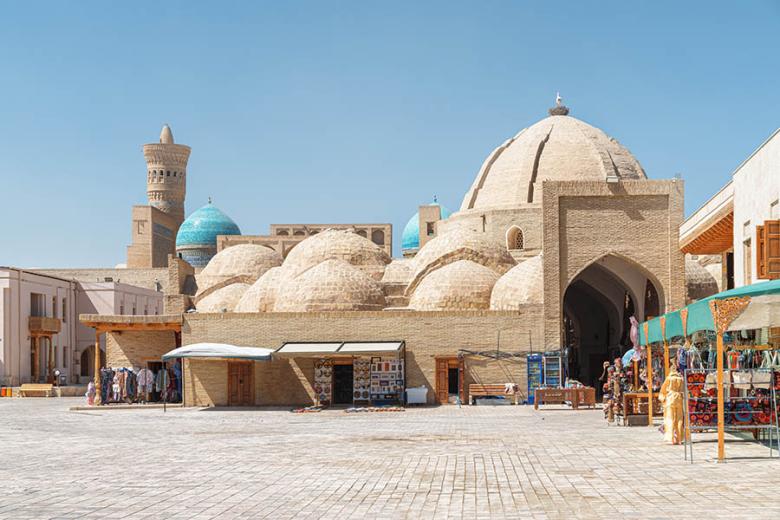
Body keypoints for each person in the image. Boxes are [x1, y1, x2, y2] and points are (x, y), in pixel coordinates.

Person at [658, 365, 684, 444]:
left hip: (670, 398)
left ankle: (671, 438)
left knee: (670, 419)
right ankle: (679, 438)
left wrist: (662, 399)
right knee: (679, 419)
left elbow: (663, 390)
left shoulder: (669, 378)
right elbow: (684, 390)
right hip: (679, 398)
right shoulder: (681, 379)